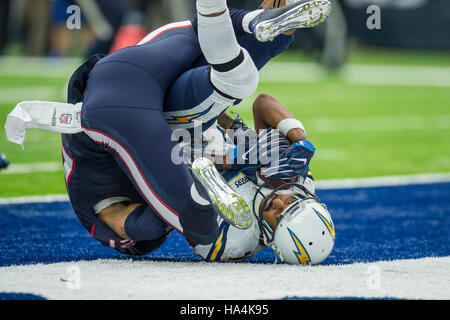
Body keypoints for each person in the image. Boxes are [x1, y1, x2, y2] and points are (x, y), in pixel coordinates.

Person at [5, 0, 332, 259]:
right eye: (289, 203)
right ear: (306, 198)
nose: (277, 204)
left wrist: (232, 158)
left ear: (270, 239)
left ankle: (239, 20)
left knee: (175, 224)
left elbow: (150, 208)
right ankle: (255, 21)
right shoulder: (297, 184)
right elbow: (263, 104)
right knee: (268, 45)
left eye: (277, 216)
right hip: (145, 92)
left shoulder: (229, 242)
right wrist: (299, 140)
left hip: (115, 109)